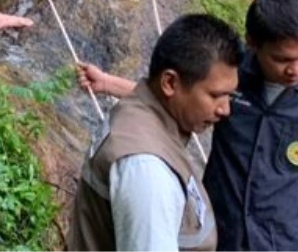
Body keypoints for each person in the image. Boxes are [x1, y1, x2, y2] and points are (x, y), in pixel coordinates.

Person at [78, 0, 298, 252]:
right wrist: (108, 83)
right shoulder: (230, 75)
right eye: (283, 60)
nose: (296, 71)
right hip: (225, 234)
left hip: (296, 242)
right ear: (254, 44)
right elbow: (178, 95)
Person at [68, 14, 243, 251]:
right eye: (215, 95)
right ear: (170, 83)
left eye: (229, 95)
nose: (225, 109)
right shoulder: (148, 172)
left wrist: (108, 83)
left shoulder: (139, 114)